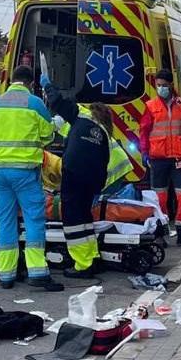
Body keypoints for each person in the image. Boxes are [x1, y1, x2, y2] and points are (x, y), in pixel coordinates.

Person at [0, 64, 63, 291]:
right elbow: (47, 135)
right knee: (34, 218)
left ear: (11, 81)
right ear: (30, 84)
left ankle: (6, 274)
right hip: (25, 170)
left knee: (5, 219)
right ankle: (37, 272)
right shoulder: (35, 103)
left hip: (0, 172)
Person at [45, 89, 117, 279]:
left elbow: (58, 102)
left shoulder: (81, 117)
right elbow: (104, 162)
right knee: (84, 219)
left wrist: (48, 87)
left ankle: (83, 264)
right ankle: (92, 258)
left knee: (73, 221)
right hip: (92, 180)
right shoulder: (103, 133)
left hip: (75, 174)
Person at [139, 69, 181, 247]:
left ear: (171, 85)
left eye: (164, 85)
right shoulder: (151, 106)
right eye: (158, 85)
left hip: (179, 158)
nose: (161, 88)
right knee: (159, 198)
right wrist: (144, 152)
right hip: (158, 158)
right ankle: (159, 233)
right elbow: (144, 131)